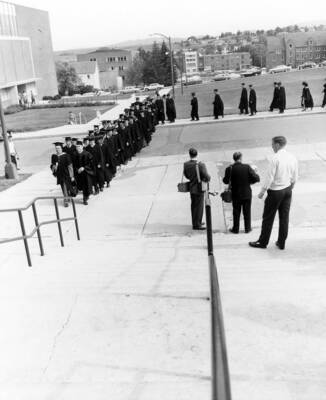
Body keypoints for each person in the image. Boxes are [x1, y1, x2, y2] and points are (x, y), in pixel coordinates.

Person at [249, 136, 298, 250]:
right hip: (287, 190)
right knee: (284, 218)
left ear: (277, 145)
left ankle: (263, 242)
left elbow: (269, 177)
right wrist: (291, 187)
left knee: (268, 218)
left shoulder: (275, 158)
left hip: (276, 191)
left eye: (272, 144)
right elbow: (295, 176)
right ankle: (281, 242)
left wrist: (262, 191)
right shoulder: (292, 157)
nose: (271, 147)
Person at [223, 152, 260, 234]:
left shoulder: (230, 168)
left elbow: (225, 181)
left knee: (236, 212)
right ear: (241, 158)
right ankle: (247, 228)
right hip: (246, 193)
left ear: (234, 159)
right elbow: (256, 178)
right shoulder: (247, 167)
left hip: (236, 194)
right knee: (247, 211)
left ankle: (235, 229)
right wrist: (250, 181)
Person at [183, 148, 210, 230]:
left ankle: (196, 221)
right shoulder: (201, 165)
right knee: (199, 206)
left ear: (190, 154)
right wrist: (207, 179)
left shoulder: (186, 164)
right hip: (199, 188)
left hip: (191, 187)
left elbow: (186, 175)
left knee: (194, 206)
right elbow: (207, 176)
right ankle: (197, 225)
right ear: (197, 154)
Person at [50, 142, 75, 207]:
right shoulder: (54, 156)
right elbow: (52, 166)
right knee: (63, 187)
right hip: (59, 174)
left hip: (66, 174)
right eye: (56, 148)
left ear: (61, 148)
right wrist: (54, 167)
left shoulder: (66, 155)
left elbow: (70, 166)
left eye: (58, 148)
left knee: (65, 187)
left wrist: (71, 176)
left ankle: (66, 200)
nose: (57, 149)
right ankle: (67, 196)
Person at [74, 140, 94, 205]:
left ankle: (84, 199)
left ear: (82, 146)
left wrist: (84, 168)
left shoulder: (87, 154)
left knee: (86, 186)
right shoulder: (74, 154)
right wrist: (77, 170)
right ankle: (86, 196)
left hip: (86, 173)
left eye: (79, 146)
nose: (78, 148)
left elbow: (91, 163)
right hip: (78, 173)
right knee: (81, 186)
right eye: (77, 147)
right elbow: (73, 165)